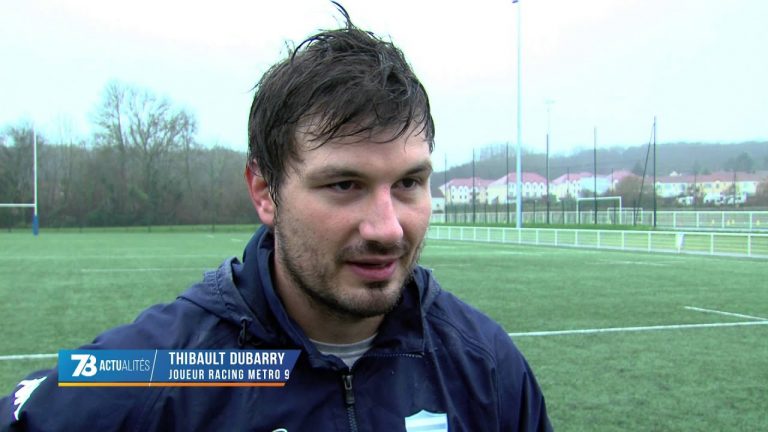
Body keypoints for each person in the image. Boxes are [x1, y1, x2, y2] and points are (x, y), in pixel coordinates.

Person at [1, 4, 551, 431]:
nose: (387, 228)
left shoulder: (486, 366)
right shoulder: (157, 365)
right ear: (265, 191)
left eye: (408, 183)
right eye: (344, 185)